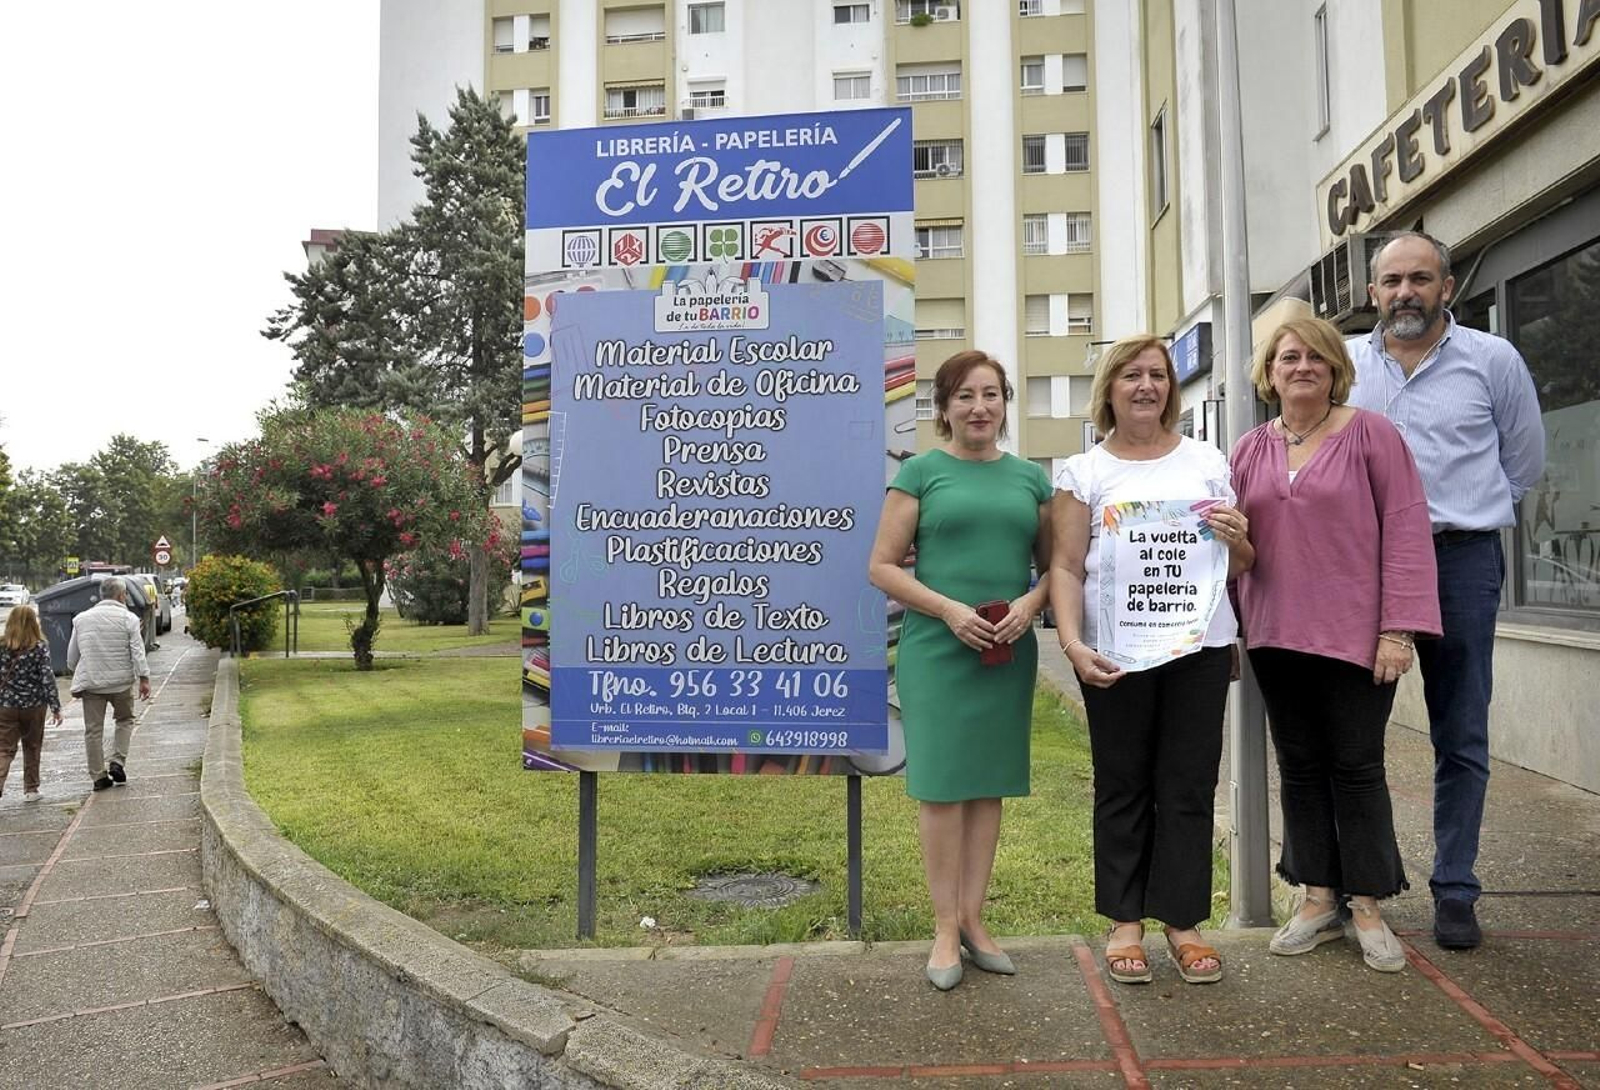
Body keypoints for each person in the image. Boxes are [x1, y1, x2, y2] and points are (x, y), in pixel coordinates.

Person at [1347, 233, 1545, 951]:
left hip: (1461, 562)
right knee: (1354, 734)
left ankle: (1455, 888)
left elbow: (1522, 464)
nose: (1406, 291)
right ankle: (1356, 886)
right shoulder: (1343, 365)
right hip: (1364, 571)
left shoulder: (1494, 361)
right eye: (1392, 279)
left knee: (1460, 732)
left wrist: (1461, 516)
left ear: (1447, 287)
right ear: (1372, 292)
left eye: (1420, 279)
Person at [1232, 316, 1442, 973]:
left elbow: (1406, 532)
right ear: (1269, 372)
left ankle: (1368, 903)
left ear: (1334, 370)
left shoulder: (1374, 437)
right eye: (1288, 357)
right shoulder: (1247, 451)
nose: (1301, 367)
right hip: (1274, 634)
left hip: (1356, 637)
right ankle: (1318, 897)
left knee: (1356, 765)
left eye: (1315, 357)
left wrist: (1398, 629)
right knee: (1298, 766)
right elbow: (1230, 548)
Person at [1047, 334, 1251, 986]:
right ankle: (1126, 921)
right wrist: (1074, 645)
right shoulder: (1086, 473)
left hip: (1199, 648)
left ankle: (1183, 922)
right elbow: (1066, 567)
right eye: (1131, 375)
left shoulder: (1207, 462)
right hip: (1117, 652)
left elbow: (1240, 564)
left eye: (1157, 375)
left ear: (1172, 387)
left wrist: (1241, 541)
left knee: (1188, 786)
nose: (1146, 386)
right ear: (1109, 388)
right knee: (1123, 784)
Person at [868, 350, 1053, 991]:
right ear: (943, 407)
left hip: (1006, 648)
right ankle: (944, 926)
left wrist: (1032, 603)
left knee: (987, 785)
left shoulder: (1031, 478)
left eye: (992, 395)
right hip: (940, 648)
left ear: (1005, 404)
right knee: (944, 788)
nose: (980, 407)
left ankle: (975, 921)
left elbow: (1059, 568)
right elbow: (883, 566)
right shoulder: (920, 472)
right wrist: (950, 611)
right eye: (965, 396)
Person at [67, 577, 151, 791]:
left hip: (92, 684)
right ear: (121, 595)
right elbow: (138, 652)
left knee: (93, 730)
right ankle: (117, 761)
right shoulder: (129, 618)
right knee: (124, 719)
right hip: (121, 683)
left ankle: (98, 777)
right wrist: (144, 678)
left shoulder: (81, 619)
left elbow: (71, 659)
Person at [1, 605, 64, 802]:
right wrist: (55, 707)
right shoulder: (38, 646)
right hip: (34, 705)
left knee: (4, 748)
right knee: (32, 745)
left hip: (6, 705)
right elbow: (47, 677)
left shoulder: (2, 645)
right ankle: (31, 789)